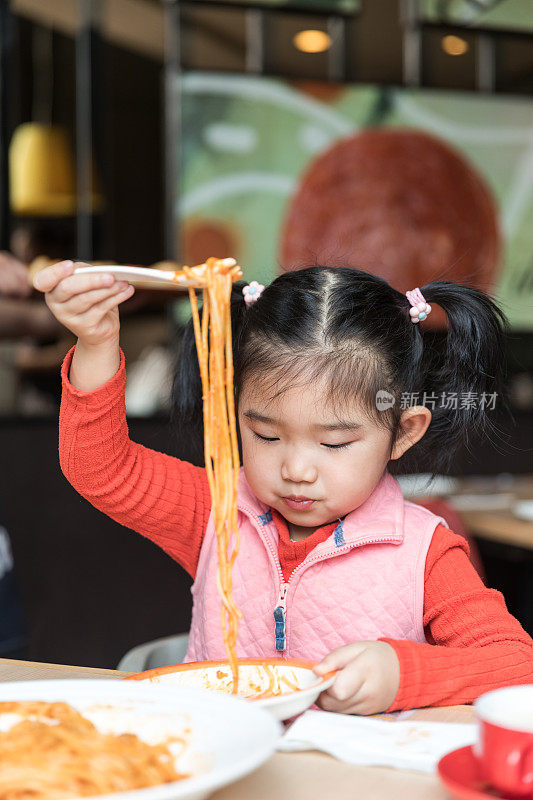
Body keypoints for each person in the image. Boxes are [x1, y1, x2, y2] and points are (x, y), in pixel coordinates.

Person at [34, 260, 533, 715]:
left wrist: (404, 674)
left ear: (402, 433)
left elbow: (516, 663)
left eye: (334, 443)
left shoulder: (424, 552)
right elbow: (102, 468)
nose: (296, 469)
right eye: (266, 435)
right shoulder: (217, 509)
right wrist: (97, 344)